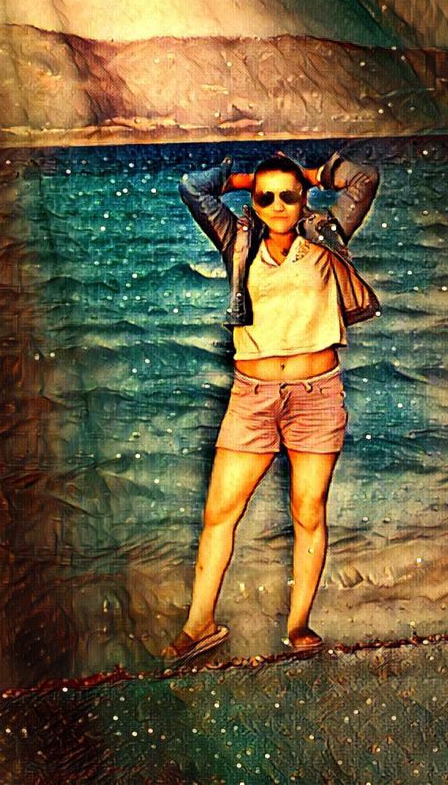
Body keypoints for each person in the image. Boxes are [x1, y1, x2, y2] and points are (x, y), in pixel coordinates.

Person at [160, 147, 381, 665]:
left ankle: (298, 624)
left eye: (288, 195)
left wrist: (311, 173)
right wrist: (241, 178)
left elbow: (364, 179)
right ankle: (199, 624)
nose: (278, 205)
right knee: (220, 512)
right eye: (266, 197)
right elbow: (193, 187)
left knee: (308, 511)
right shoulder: (236, 240)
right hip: (252, 398)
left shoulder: (327, 233)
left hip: (316, 395)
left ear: (303, 198)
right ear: (254, 203)